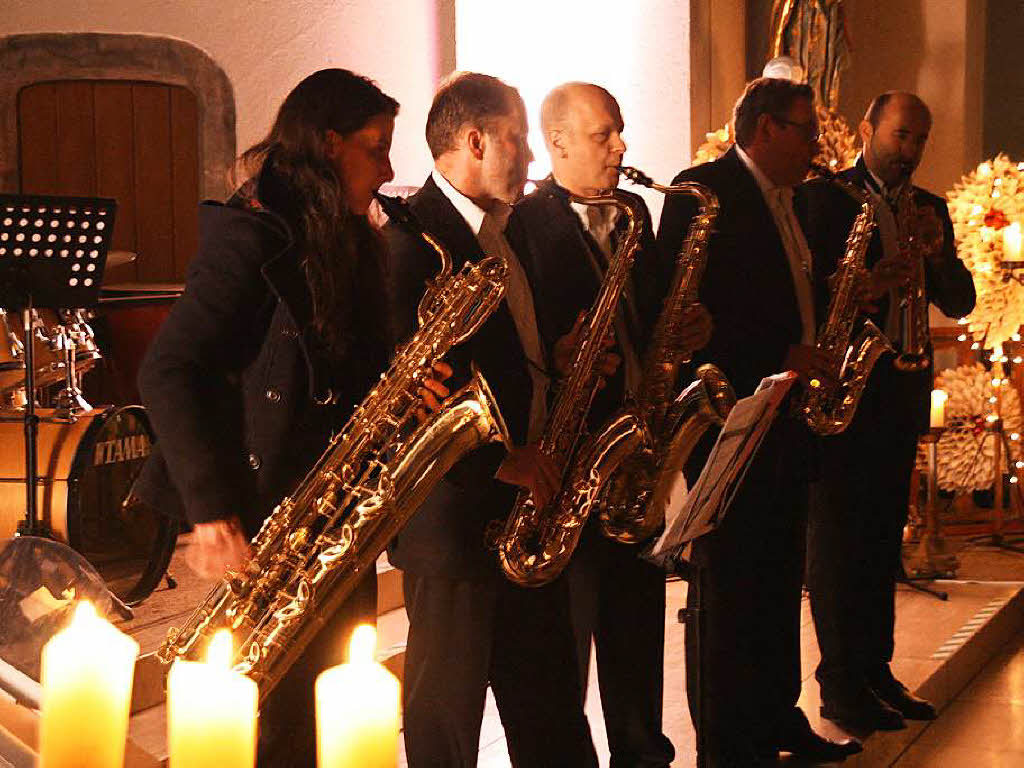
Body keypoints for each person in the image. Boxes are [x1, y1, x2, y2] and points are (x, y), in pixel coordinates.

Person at [136, 69, 440, 767]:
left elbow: (348, 373)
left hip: (334, 514)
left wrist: (406, 393)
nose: (390, 169)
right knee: (274, 727)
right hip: (264, 512)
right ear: (329, 145)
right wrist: (209, 513)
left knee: (332, 708)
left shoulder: (352, 237)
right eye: (377, 147)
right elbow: (168, 369)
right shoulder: (248, 236)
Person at [381, 71, 597, 768]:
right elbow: (405, 394)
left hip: (521, 513)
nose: (532, 158)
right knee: (445, 724)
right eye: (519, 139)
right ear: (475, 140)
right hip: (455, 523)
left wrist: (556, 358)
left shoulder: (503, 231)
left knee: (551, 712)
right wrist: (499, 462)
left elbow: (503, 360)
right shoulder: (414, 243)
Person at [657, 77, 861, 767]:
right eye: (806, 131)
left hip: (786, 416)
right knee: (731, 591)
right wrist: (781, 353)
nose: (815, 146)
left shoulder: (793, 202)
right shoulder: (703, 192)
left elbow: (783, 293)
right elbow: (687, 315)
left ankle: (777, 715)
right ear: (766, 128)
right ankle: (728, 739)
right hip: (729, 418)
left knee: (777, 581)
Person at [509, 81, 709, 768]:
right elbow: (515, 342)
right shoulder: (522, 222)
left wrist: (685, 329)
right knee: (568, 642)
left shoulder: (634, 215)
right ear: (557, 143)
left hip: (636, 451)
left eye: (620, 130)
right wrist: (558, 359)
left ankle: (642, 752)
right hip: (570, 459)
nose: (622, 146)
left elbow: (648, 315)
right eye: (604, 135)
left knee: (636, 629)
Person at [801, 91, 975, 730]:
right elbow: (807, 293)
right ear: (869, 129)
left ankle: (877, 672)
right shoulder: (824, 200)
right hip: (849, 392)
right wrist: (870, 287)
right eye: (901, 136)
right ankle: (838, 683)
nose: (909, 151)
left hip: (903, 388)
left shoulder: (929, 208)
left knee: (881, 544)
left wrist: (936, 257)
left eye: (919, 140)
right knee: (839, 545)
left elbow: (960, 302)